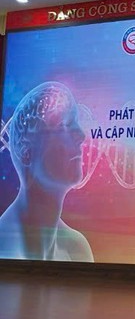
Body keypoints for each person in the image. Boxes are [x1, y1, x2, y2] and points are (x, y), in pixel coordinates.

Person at [0, 82, 94, 262]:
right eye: (64, 124)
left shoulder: (77, 249)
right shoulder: (4, 249)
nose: (81, 135)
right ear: (26, 151)